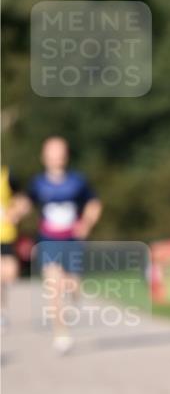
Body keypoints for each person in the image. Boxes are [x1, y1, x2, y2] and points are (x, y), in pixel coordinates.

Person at [27, 137, 102, 354]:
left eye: (60, 152)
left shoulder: (78, 181)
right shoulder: (37, 182)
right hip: (48, 240)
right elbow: (26, 203)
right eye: (52, 152)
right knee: (54, 287)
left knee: (72, 285)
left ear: (66, 155)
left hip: (73, 241)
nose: (56, 157)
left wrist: (86, 222)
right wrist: (12, 214)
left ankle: (75, 295)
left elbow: (94, 203)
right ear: (44, 156)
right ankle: (61, 334)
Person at [1, 165, 31, 323]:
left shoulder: (7, 176)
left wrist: (16, 213)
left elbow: (24, 201)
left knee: (10, 274)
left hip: (6, 235)